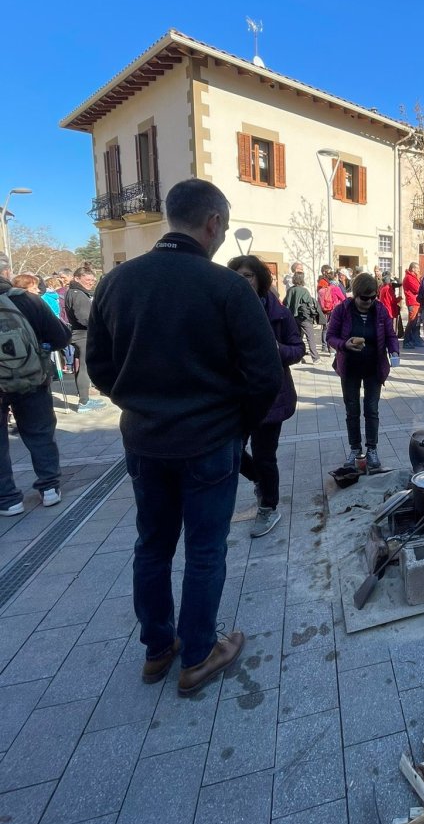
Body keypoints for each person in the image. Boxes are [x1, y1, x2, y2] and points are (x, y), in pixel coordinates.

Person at [86, 179, 283, 695]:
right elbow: (265, 375)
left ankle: (158, 649)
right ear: (213, 223)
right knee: (204, 549)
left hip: (145, 440)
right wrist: (237, 425)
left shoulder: (116, 281)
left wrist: (141, 404)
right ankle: (197, 655)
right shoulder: (227, 287)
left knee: (152, 545)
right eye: (224, 225)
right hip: (209, 441)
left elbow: (99, 367)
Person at [226, 255, 303, 536]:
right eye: (236, 275)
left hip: (270, 396)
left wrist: (276, 349)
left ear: (260, 279)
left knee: (264, 455)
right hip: (236, 397)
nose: (242, 280)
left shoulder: (279, 313)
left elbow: (298, 349)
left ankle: (268, 506)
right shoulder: (224, 309)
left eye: (247, 275)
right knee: (230, 452)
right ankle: (261, 480)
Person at [0, 252, 71, 515]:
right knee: (39, 432)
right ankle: (49, 488)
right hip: (32, 378)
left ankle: (8, 499)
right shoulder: (27, 299)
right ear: (7, 272)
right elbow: (61, 337)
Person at [326, 271, 400, 472]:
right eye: (364, 298)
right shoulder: (342, 310)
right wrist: (344, 344)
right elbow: (330, 336)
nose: (369, 301)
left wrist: (394, 350)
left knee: (372, 409)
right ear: (355, 294)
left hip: (374, 367)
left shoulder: (380, 310)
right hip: (349, 367)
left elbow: (391, 335)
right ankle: (355, 449)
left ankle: (372, 449)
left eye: (372, 297)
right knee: (352, 410)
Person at [64, 265, 104, 412]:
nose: (91, 283)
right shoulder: (78, 294)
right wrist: (98, 326)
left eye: (93, 280)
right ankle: (84, 402)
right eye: (88, 280)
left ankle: (84, 398)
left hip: (79, 334)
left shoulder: (73, 292)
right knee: (84, 367)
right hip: (83, 335)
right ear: (77, 278)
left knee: (81, 366)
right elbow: (84, 318)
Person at [284, 271, 321, 364]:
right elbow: (309, 304)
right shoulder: (304, 291)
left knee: (297, 338)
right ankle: (315, 358)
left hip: (293, 317)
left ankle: (299, 357)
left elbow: (286, 304)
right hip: (304, 317)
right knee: (310, 337)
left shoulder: (290, 290)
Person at [402, 262, 423, 350]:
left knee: (416, 322)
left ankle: (415, 340)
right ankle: (407, 341)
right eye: (417, 268)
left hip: (417, 302)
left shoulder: (414, 277)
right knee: (412, 322)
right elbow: (417, 289)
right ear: (413, 269)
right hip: (413, 302)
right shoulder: (409, 278)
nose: (419, 270)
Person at [376, 269, 402, 336]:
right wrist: (399, 299)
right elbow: (392, 300)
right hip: (389, 308)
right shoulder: (388, 287)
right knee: (390, 327)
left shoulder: (381, 287)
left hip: (383, 308)